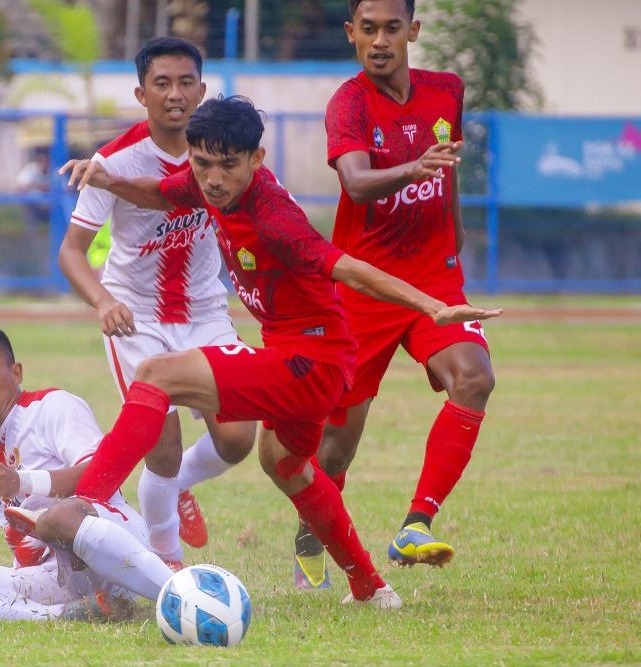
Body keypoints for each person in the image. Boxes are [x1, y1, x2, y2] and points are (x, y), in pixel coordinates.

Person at [59, 95, 501, 608]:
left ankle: (82, 507)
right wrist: (107, 179)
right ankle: (371, 588)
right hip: (310, 358)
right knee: (286, 467)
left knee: (156, 374)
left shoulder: (272, 217)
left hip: (310, 362)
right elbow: (163, 193)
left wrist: (432, 306)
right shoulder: (208, 185)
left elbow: (349, 268)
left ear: (256, 160)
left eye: (228, 165)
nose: (213, 179)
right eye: (203, 164)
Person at [291, 0, 498, 590]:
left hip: (435, 276)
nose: (380, 40)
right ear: (351, 33)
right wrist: (412, 169)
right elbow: (355, 181)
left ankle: (416, 522)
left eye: (392, 28)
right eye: (368, 29)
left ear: (414, 30)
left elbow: (447, 171)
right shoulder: (349, 102)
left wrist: (455, 240)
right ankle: (312, 527)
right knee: (336, 447)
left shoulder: (447, 91)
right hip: (365, 285)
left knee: (475, 378)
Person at [57, 37, 257, 570]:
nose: (175, 94)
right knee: (160, 449)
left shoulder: (222, 152)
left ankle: (179, 487)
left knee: (238, 439)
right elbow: (71, 251)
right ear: (141, 93)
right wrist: (101, 301)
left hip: (206, 315)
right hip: (136, 320)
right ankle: (169, 567)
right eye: (162, 84)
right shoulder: (114, 161)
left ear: (203, 89)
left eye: (185, 82)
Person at [0, 325, 174, 622]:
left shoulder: (52, 407)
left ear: (16, 373)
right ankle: (63, 615)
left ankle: (179, 592)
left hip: (112, 548)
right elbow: (25, 549)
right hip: (60, 579)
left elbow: (103, 474)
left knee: (57, 519)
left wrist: (22, 481)